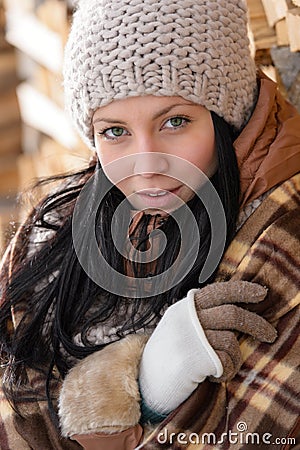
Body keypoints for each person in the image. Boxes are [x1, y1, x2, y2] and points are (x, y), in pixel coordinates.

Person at [0, 0, 299, 449]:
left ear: (226, 116)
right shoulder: (52, 231)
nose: (146, 166)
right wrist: (144, 389)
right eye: (115, 131)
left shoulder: (282, 233)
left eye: (175, 121)